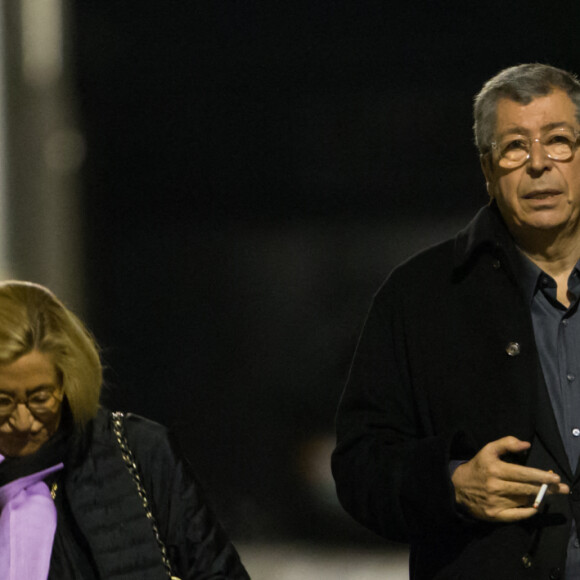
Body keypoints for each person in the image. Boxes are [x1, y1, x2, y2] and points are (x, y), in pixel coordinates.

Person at [332, 63, 580, 579]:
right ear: (487, 172)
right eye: (514, 147)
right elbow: (360, 468)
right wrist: (451, 484)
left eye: (558, 141)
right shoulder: (419, 297)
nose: (538, 164)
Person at [0, 280, 250, 579]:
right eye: (3, 401)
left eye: (40, 399)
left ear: (70, 382)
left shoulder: (137, 453)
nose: (23, 421)